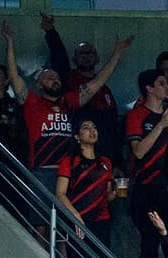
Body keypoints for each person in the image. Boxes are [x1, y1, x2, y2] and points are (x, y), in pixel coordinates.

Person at [0, 21, 131, 190]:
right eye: (49, 77)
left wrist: (117, 53)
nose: (55, 80)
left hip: (68, 173)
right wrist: (10, 43)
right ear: (39, 84)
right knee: (42, 216)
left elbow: (97, 82)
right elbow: (13, 76)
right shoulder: (32, 102)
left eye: (56, 77)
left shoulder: (68, 102)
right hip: (42, 172)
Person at [41, 12, 121, 164]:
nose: (86, 56)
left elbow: (113, 128)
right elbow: (59, 57)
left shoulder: (105, 90)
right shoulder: (67, 79)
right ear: (74, 59)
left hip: (104, 154)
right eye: (81, 53)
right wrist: (51, 32)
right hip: (77, 151)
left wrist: (117, 162)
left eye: (89, 52)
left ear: (97, 58)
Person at [125, 69, 168, 258]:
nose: (167, 87)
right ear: (149, 88)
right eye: (162, 83)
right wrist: (161, 124)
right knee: (149, 244)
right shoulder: (137, 115)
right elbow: (138, 152)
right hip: (146, 187)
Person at [55, 119, 115, 258]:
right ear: (77, 136)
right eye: (86, 128)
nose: (92, 131)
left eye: (94, 127)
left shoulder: (106, 162)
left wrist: (116, 193)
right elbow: (60, 193)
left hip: (101, 220)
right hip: (78, 221)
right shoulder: (69, 161)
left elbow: (106, 196)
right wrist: (75, 216)